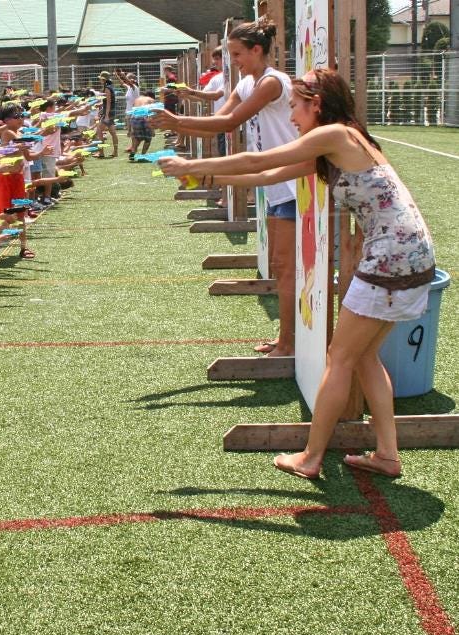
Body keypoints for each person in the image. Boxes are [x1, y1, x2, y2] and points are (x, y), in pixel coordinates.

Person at [159, 68, 436, 480]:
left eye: (295, 107)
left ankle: (310, 457)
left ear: (316, 105)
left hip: (390, 258)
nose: (291, 118)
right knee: (362, 357)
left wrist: (191, 160)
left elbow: (258, 158)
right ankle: (387, 455)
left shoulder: (335, 135)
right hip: (408, 254)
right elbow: (268, 175)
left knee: (339, 358)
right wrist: (205, 175)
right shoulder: (340, 140)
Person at [152, 17, 298, 358]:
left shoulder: (271, 83)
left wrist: (178, 121)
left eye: (237, 54)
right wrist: (180, 125)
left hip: (292, 183)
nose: (233, 61)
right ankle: (286, 337)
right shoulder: (248, 83)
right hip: (275, 183)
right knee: (279, 267)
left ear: (257, 50)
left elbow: (230, 122)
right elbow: (219, 124)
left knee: (287, 268)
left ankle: (289, 343)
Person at [95, 71, 118, 158]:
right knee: (113, 132)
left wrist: (107, 115)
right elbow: (108, 101)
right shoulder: (110, 87)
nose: (99, 80)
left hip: (108, 113)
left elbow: (108, 103)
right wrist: (101, 105)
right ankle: (115, 152)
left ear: (103, 79)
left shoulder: (107, 88)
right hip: (111, 112)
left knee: (99, 131)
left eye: (100, 79)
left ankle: (101, 153)